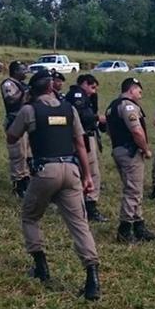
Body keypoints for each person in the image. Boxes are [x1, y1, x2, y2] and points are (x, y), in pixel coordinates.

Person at [6, 70, 101, 300]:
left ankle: (41, 266)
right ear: (51, 87)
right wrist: (87, 176)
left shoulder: (29, 110)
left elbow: (11, 137)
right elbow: (80, 143)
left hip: (45, 171)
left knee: (30, 216)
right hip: (71, 170)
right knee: (79, 224)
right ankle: (92, 278)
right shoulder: (69, 109)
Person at [105, 77, 155, 242]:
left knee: (135, 189)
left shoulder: (112, 106)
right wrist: (145, 149)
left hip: (119, 149)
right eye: (139, 91)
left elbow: (108, 129)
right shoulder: (128, 106)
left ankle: (139, 225)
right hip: (130, 152)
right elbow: (136, 131)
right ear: (131, 89)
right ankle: (125, 230)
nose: (140, 95)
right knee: (133, 191)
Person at [65, 74, 109, 222]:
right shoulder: (77, 95)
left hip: (83, 136)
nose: (93, 91)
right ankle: (90, 206)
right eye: (92, 87)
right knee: (92, 172)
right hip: (82, 137)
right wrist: (97, 118)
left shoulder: (84, 97)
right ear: (84, 83)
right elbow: (82, 117)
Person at [0, 61, 32, 197]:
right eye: (22, 70)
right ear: (15, 71)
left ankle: (27, 181)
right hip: (14, 122)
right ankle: (18, 185)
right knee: (18, 154)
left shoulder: (23, 84)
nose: (25, 72)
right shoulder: (8, 84)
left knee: (28, 154)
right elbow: (11, 100)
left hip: (26, 122)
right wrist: (25, 92)